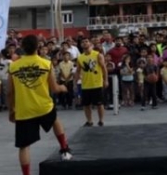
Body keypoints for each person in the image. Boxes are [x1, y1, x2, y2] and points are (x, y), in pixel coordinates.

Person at [7, 35, 72, 175]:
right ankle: (64, 149)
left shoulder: (13, 66)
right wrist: (63, 88)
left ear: (22, 48)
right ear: (38, 47)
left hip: (24, 110)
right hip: (43, 107)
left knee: (24, 146)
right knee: (55, 120)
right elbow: (54, 88)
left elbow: (10, 93)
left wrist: (11, 110)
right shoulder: (46, 63)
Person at [76, 39, 109, 127]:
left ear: (90, 44)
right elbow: (78, 71)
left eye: (86, 41)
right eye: (82, 42)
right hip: (85, 84)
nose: (84, 43)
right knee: (86, 105)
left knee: (99, 104)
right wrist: (76, 82)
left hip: (97, 83)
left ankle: (101, 120)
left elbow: (104, 68)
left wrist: (105, 80)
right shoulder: (80, 57)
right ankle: (89, 121)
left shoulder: (98, 55)